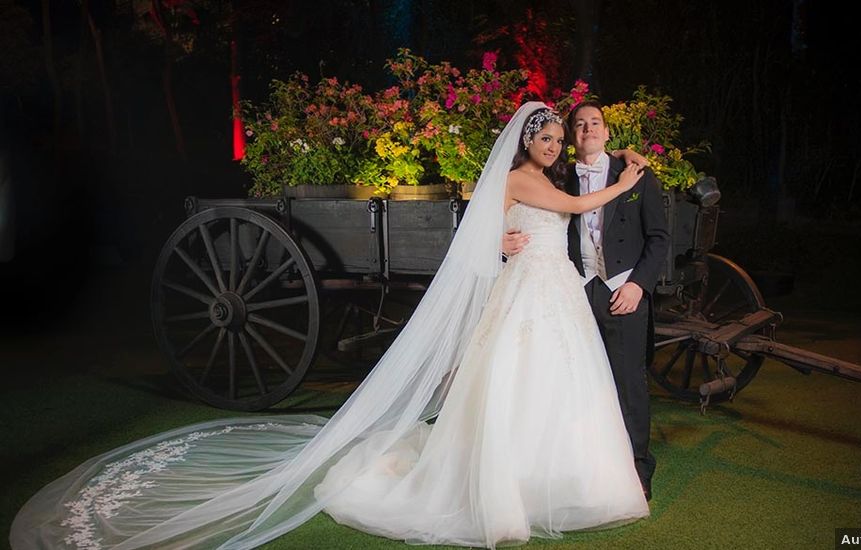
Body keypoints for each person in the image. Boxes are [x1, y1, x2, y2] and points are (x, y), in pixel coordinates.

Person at [10, 102, 648, 550]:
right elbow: (578, 205)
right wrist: (625, 181)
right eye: (547, 138)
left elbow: (559, 198)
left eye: (559, 139)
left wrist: (611, 157)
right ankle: (510, 482)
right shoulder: (523, 179)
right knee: (522, 382)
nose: (555, 145)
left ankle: (556, 476)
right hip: (533, 292)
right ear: (525, 141)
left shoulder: (543, 175)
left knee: (554, 385)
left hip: (549, 291)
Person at [504, 101, 669, 501]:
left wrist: (638, 286)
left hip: (622, 289)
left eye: (594, 123)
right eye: (578, 125)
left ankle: (637, 469)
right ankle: (582, 465)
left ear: (608, 133)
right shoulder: (560, 178)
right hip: (574, 290)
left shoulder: (636, 175)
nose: (586, 130)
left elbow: (660, 238)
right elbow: (508, 209)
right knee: (576, 381)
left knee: (628, 382)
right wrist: (497, 239)